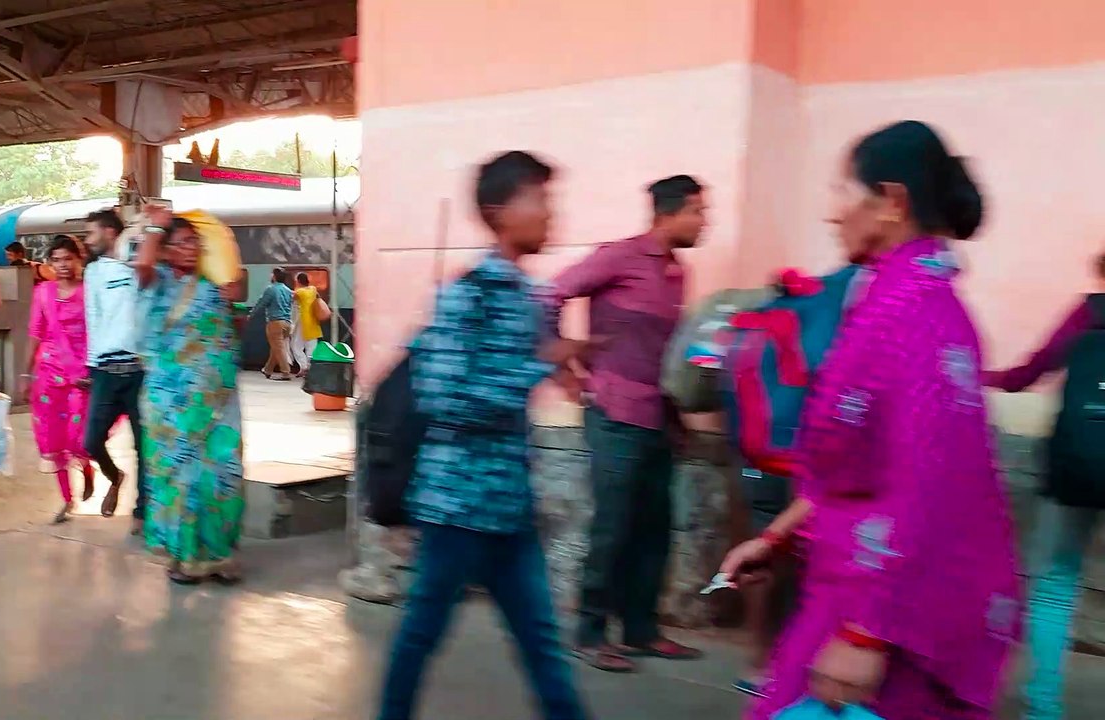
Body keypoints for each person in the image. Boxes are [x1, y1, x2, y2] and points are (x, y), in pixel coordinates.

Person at [720, 120, 1021, 719]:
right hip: (864, 583)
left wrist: (865, 635)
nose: (832, 214)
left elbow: (929, 482)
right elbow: (861, 467)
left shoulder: (912, 315)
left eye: (841, 191)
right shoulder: (893, 297)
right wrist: (777, 537)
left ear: (891, 203)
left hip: (891, 608)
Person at [376, 151, 593, 720]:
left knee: (542, 645)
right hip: (455, 508)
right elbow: (444, 397)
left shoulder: (529, 297)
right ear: (500, 212)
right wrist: (539, 365)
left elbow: (540, 372)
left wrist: (566, 369)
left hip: (510, 509)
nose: (551, 214)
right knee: (422, 634)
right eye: (539, 200)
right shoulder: (466, 296)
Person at [548, 175, 707, 672]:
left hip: (659, 420)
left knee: (654, 529)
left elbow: (666, 353)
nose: (704, 222)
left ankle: (640, 631)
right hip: (614, 415)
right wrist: (566, 372)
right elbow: (550, 296)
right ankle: (589, 633)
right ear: (670, 213)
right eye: (698, 212)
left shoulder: (678, 272)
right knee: (612, 527)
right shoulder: (619, 257)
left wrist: (678, 418)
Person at [983, 253, 1105, 720]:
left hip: (1075, 466)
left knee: (1055, 583)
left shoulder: (1088, 313)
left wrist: (978, 376)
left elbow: (1026, 374)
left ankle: (1043, 706)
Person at [134, 206, 247, 584]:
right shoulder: (157, 280)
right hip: (172, 404)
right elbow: (143, 266)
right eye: (181, 243)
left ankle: (219, 553)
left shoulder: (212, 287)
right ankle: (183, 556)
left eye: (195, 243)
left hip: (218, 402)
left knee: (222, 471)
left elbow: (227, 330)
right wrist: (154, 227)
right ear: (164, 251)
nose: (191, 249)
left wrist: (233, 295)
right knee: (179, 476)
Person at [83, 208, 148, 532]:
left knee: (143, 445)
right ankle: (114, 476)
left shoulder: (137, 263)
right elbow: (93, 318)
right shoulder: (92, 272)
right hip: (106, 370)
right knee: (91, 440)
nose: (87, 240)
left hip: (139, 369)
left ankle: (142, 510)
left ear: (110, 233)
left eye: (92, 233)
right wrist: (91, 366)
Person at [26, 235, 95, 525]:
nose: (63, 265)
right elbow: (35, 331)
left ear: (79, 260)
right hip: (49, 375)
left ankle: (89, 469)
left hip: (83, 374)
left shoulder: (91, 291)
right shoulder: (43, 292)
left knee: (79, 439)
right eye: (56, 260)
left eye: (68, 258)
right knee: (54, 440)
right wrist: (24, 371)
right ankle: (67, 499)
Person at [250, 267, 294, 380]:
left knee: (278, 348)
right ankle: (268, 370)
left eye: (271, 274)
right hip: (287, 324)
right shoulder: (289, 291)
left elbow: (261, 303)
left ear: (274, 276)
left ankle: (286, 372)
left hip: (275, 323)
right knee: (276, 348)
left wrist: (251, 314)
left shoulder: (271, 289)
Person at [290, 272, 324, 376]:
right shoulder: (313, 289)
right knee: (311, 346)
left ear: (298, 281)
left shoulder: (299, 292)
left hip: (303, 321)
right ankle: (311, 368)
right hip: (314, 321)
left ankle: (304, 366)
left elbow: (290, 297)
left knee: (295, 346)